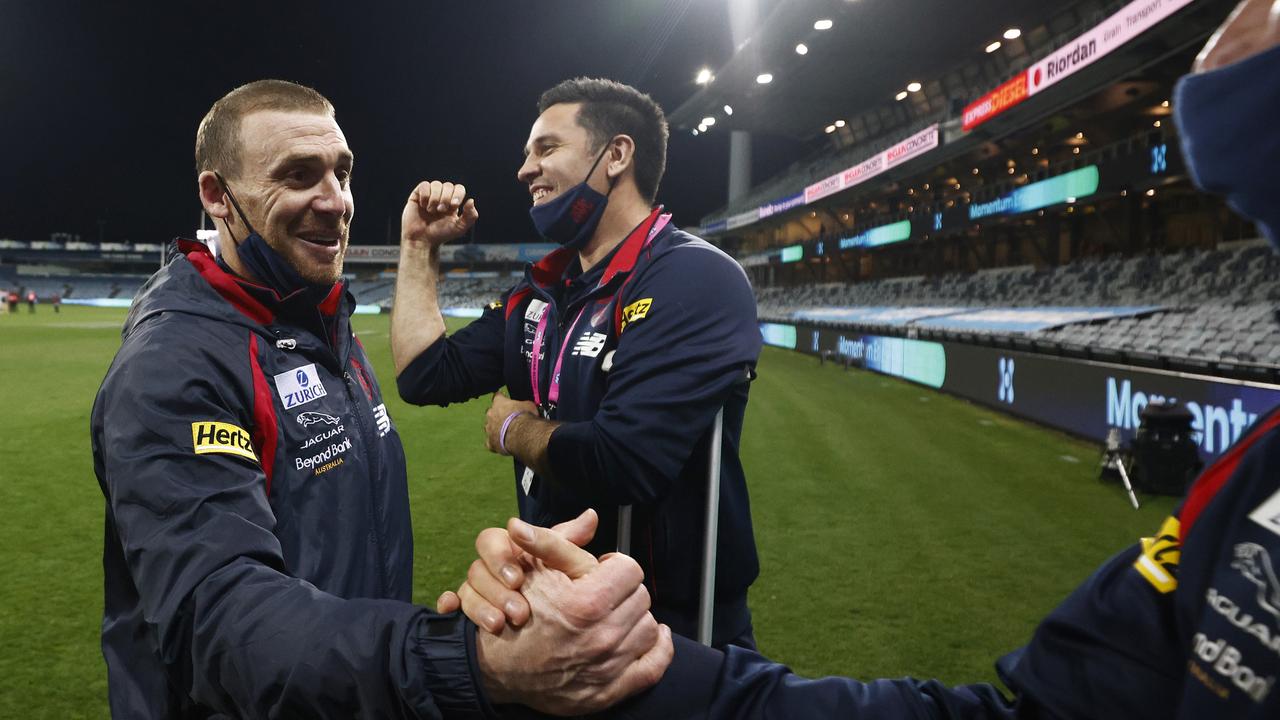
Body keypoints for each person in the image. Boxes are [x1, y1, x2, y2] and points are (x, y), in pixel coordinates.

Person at [449, 2, 1280, 716]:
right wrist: (678, 686)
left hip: (682, 611)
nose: (1225, 37)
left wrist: (670, 677)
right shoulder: (1251, 478)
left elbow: (627, 457)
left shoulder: (696, 281)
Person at [90, 79, 671, 718]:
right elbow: (222, 621)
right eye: (298, 174)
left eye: (342, 173)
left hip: (350, 695)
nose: (336, 201)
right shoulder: (172, 366)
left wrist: (417, 244)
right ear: (216, 197)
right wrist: (460, 661)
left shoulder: (318, 323)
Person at [392, 78, 763, 649]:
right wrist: (419, 247)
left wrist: (514, 429)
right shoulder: (541, 290)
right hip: (557, 609)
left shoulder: (694, 277)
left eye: (546, 149)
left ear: (616, 155)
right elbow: (424, 375)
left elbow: (625, 459)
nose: (524, 170)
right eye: (526, 154)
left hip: (669, 628)